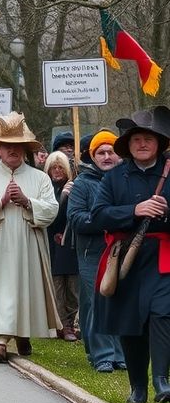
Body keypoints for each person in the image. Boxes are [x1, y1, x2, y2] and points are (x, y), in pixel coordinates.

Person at [92, 105, 170, 403]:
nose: (142, 143)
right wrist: (134, 211)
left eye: (149, 138)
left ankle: (161, 380)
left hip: (163, 258)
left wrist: (164, 212)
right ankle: (138, 386)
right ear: (129, 143)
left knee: (162, 314)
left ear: (159, 143)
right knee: (130, 323)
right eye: (137, 138)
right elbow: (98, 215)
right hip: (127, 259)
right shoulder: (114, 177)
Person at [0, 113, 60, 363]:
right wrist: (1, 202)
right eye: (8, 146)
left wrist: (27, 202)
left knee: (25, 286)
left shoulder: (39, 178)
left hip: (28, 245)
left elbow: (52, 209)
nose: (13, 150)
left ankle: (23, 333)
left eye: (18, 146)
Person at [67, 130, 126, 373]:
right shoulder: (83, 183)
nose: (106, 156)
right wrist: (105, 220)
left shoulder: (126, 180)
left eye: (110, 151)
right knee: (96, 301)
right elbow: (76, 217)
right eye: (100, 152)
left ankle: (121, 352)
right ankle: (102, 354)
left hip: (122, 250)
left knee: (121, 301)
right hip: (92, 252)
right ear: (93, 156)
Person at [45, 151, 79, 342]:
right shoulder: (47, 189)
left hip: (70, 242)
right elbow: (50, 217)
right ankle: (62, 324)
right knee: (57, 285)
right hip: (52, 243)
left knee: (73, 287)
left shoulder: (75, 186)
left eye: (60, 167)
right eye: (54, 167)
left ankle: (72, 322)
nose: (57, 171)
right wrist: (63, 197)